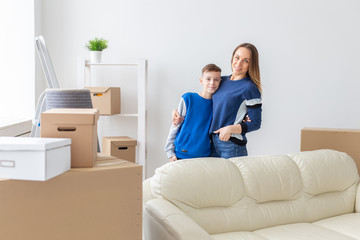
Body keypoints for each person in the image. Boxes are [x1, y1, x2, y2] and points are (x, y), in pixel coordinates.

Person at [173, 43, 262, 158]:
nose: (238, 63)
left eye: (246, 61)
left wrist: (230, 129)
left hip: (231, 145)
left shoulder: (250, 88)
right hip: (211, 143)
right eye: (237, 57)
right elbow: (204, 101)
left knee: (232, 177)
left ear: (251, 64)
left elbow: (255, 123)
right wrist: (177, 110)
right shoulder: (222, 81)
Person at [164, 64, 222, 161]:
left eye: (216, 79)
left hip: (204, 155)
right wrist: (169, 152)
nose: (212, 82)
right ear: (201, 81)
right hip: (181, 154)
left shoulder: (218, 105)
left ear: (220, 82)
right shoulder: (188, 98)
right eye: (208, 79)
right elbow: (175, 125)